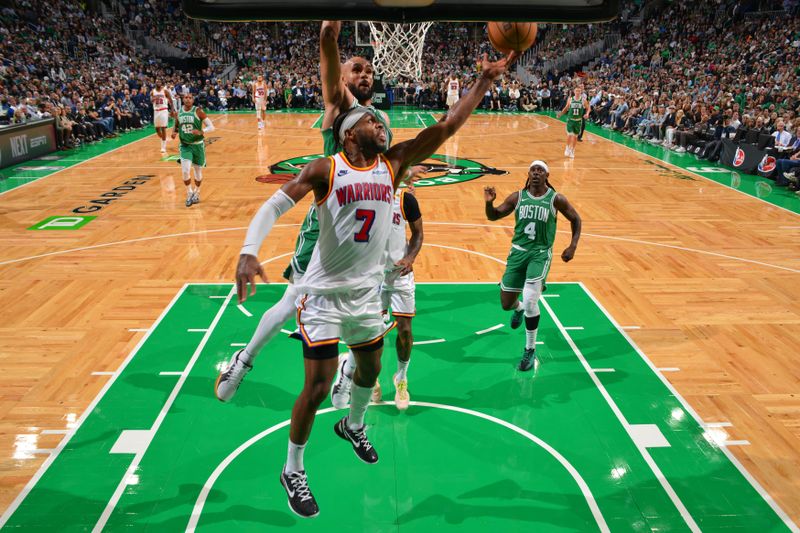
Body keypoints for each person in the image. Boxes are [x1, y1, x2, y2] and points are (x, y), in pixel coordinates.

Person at [235, 53, 516, 519]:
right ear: (349, 131)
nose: (382, 125)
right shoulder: (325, 168)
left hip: (367, 295)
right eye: (372, 121)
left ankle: (354, 425)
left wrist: (483, 82)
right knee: (318, 387)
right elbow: (273, 207)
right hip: (324, 295)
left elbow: (446, 127)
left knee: (369, 373)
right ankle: (293, 468)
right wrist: (249, 249)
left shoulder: (395, 163)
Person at [214, 20, 395, 401]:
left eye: (369, 69)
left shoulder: (378, 121)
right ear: (343, 79)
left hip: (371, 233)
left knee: (367, 307)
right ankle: (243, 362)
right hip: (326, 229)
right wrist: (330, 27)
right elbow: (329, 41)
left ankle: (348, 372)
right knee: (291, 301)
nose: (364, 74)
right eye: (355, 68)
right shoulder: (341, 106)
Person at [332, 184, 423, 411]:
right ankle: (371, 379)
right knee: (373, 335)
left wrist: (411, 257)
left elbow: (418, 233)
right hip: (371, 276)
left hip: (399, 274)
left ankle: (401, 378)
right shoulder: (363, 198)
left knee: (405, 331)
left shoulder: (405, 200)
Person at [483, 160, 581, 371]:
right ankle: (517, 310)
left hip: (540, 255)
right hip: (517, 253)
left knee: (529, 300)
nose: (536, 173)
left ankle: (529, 349)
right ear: (528, 174)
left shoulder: (556, 199)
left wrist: (572, 246)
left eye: (541, 170)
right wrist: (489, 203)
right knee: (507, 303)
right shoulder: (518, 197)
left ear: (547, 175)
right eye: (533, 170)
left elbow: (576, 219)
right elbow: (494, 216)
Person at [170, 93, 214, 207]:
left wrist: (202, 131)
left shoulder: (198, 111)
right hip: (185, 146)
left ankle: (197, 192)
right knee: (185, 170)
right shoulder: (179, 112)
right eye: (186, 98)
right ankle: (189, 193)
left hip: (198, 145)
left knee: (198, 171)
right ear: (183, 99)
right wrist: (174, 132)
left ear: (193, 100)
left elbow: (211, 127)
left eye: (190, 98)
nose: (188, 99)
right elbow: (176, 124)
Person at [556, 86, 589, 158]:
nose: (577, 92)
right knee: (569, 135)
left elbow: (588, 108)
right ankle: (567, 148)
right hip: (570, 120)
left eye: (579, 91)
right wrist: (560, 114)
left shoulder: (583, 100)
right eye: (576, 91)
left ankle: (572, 150)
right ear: (574, 91)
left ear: (581, 92)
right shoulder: (570, 99)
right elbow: (566, 108)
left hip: (578, 121)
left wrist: (587, 114)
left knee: (575, 137)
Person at [151, 80, 174, 153]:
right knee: (157, 129)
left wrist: (172, 110)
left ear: (161, 83)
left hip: (163, 110)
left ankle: (163, 147)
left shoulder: (165, 91)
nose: (158, 83)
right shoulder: (152, 92)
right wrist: (153, 99)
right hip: (156, 111)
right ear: (155, 83)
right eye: (157, 82)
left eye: (159, 82)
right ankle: (163, 139)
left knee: (163, 128)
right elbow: (151, 101)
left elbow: (171, 100)